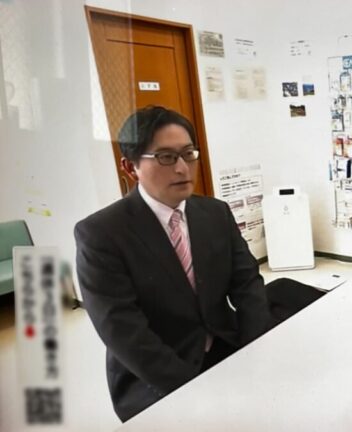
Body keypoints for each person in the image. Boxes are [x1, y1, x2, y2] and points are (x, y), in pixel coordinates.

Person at [75, 106, 320, 422]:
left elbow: (247, 283)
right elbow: (124, 333)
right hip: (157, 375)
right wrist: (200, 393)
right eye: (165, 157)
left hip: (224, 344)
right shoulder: (102, 234)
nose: (182, 168)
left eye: (188, 154)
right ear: (130, 167)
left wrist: (256, 352)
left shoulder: (215, 213)